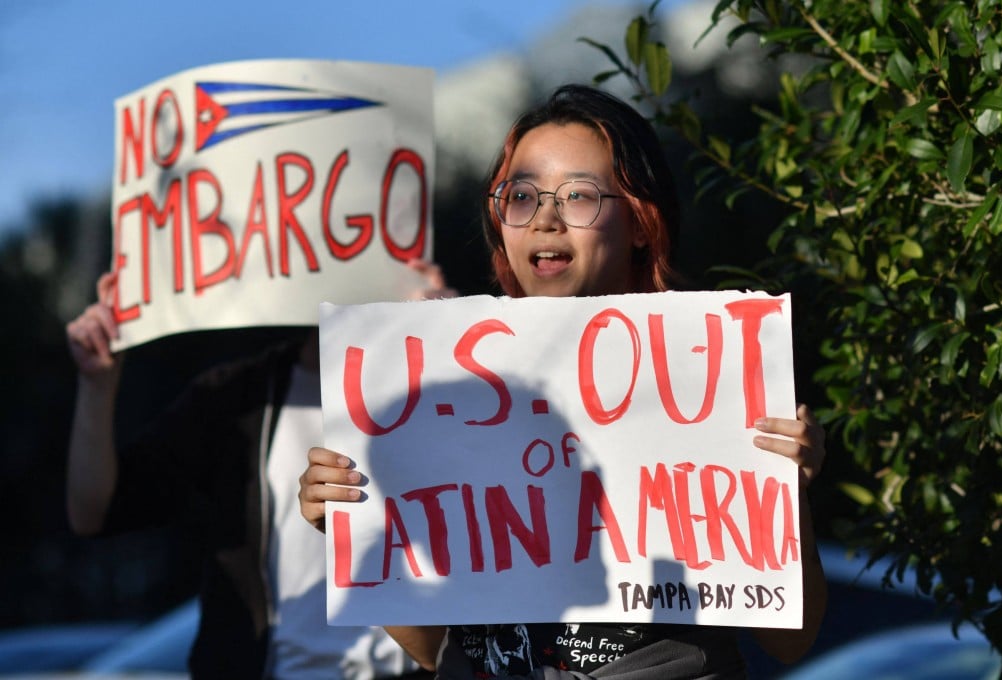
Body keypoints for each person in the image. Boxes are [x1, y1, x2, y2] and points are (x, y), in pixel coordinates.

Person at [298, 84, 828, 679]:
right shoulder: (446, 389)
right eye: (521, 197)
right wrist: (353, 519)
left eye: (578, 196)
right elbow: (429, 650)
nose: (546, 220)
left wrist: (789, 493)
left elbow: (789, 642)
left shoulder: (716, 375)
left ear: (639, 222)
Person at [65, 258, 454, 679]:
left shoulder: (448, 386)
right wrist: (96, 384)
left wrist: (447, 343)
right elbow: (96, 511)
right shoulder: (234, 400)